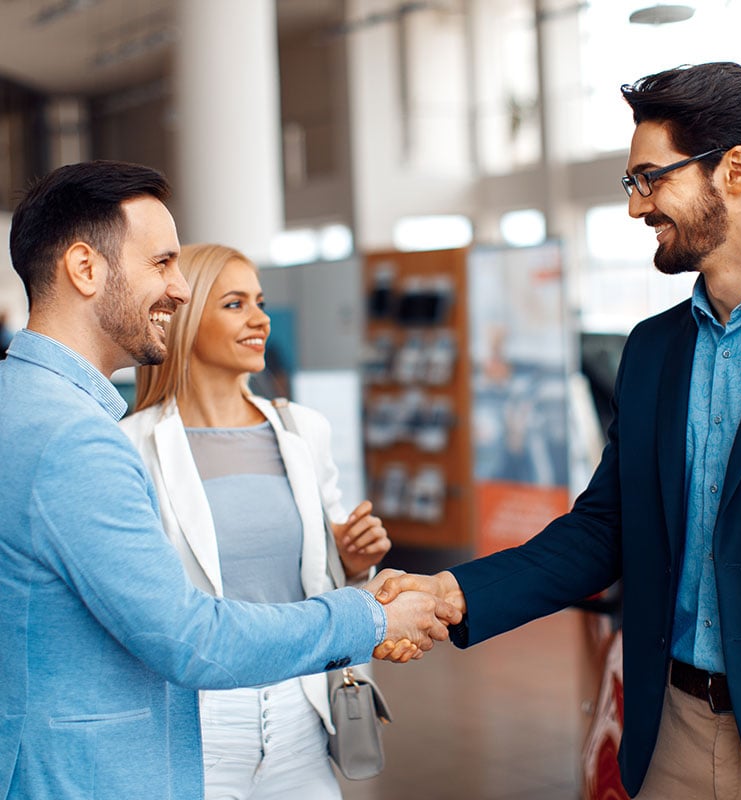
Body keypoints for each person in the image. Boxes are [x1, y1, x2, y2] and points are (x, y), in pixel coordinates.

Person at [375, 62, 741, 800]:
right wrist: (452, 592)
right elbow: (603, 529)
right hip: (672, 730)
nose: (637, 208)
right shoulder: (654, 351)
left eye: (650, 179)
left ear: (734, 171)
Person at [0, 160, 460, 800]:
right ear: (84, 269)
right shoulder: (78, 439)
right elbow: (190, 639)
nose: (180, 289)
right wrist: (371, 619)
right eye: (161, 263)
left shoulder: (18, 400)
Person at [121, 242, 391, 799]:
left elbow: (323, 579)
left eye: (260, 302)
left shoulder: (302, 431)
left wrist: (352, 558)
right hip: (198, 723)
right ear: (189, 319)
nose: (260, 319)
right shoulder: (133, 445)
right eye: (235, 304)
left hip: (302, 710)